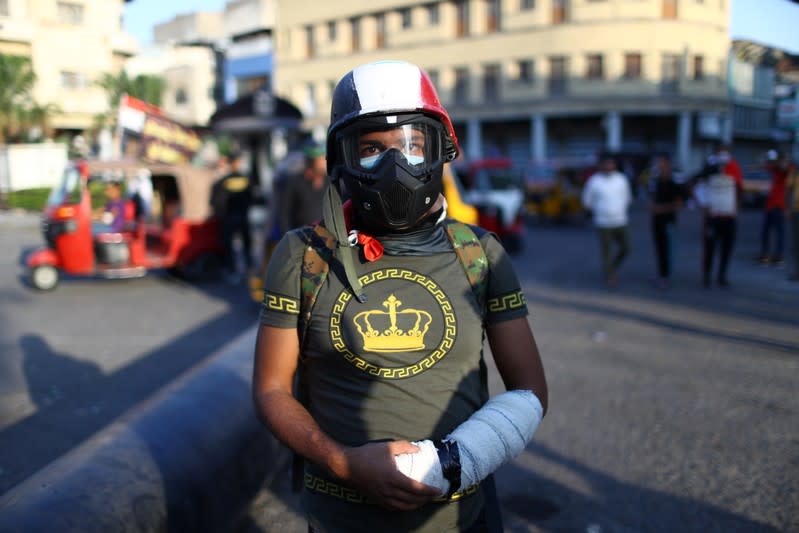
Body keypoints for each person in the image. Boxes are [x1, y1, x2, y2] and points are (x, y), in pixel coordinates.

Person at [253, 60, 548, 533]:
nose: (395, 164)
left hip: (459, 520)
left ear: (441, 150)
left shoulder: (481, 254)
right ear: (339, 160)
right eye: (370, 148)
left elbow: (529, 394)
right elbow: (270, 389)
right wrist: (345, 463)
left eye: (412, 144)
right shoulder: (303, 254)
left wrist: (455, 464)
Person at [690, 144, 743, 288]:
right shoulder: (710, 167)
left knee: (727, 248)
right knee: (710, 248)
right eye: (721, 152)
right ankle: (707, 276)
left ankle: (722, 276)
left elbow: (739, 188)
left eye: (726, 152)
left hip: (729, 217)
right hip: (713, 217)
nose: (723, 155)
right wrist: (702, 205)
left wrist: (737, 206)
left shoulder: (734, 167)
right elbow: (694, 183)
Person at [581, 152, 633, 287]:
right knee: (607, 251)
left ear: (614, 165)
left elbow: (628, 198)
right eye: (606, 164)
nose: (609, 166)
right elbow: (587, 202)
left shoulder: (621, 179)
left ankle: (611, 268)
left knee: (626, 248)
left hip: (621, 220)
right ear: (601, 165)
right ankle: (610, 274)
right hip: (603, 222)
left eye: (611, 163)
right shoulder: (594, 181)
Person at [210, 151, 254, 283]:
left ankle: (234, 270)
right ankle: (247, 270)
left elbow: (215, 201)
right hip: (241, 216)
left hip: (229, 218)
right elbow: (252, 197)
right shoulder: (246, 179)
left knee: (230, 246)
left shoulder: (223, 181)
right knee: (245, 245)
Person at [647, 155, 684, 289]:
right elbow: (653, 198)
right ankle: (660, 274)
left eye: (661, 164)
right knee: (659, 249)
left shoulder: (674, 183)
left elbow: (679, 204)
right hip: (656, 221)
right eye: (657, 164)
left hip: (668, 222)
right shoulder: (656, 181)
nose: (658, 167)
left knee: (667, 250)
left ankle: (665, 277)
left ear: (667, 165)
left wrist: (660, 209)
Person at [278, 143, 329, 233]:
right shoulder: (294, 182)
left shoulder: (329, 181)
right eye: (320, 159)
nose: (324, 162)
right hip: (302, 237)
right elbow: (284, 214)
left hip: (327, 238)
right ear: (311, 162)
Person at [758, 149, 790, 266]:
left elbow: (784, 168)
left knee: (779, 233)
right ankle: (765, 255)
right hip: (769, 206)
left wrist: (782, 160)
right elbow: (763, 167)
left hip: (779, 206)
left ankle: (778, 256)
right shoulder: (772, 170)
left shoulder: (782, 170)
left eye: (772, 160)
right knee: (765, 232)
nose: (770, 162)